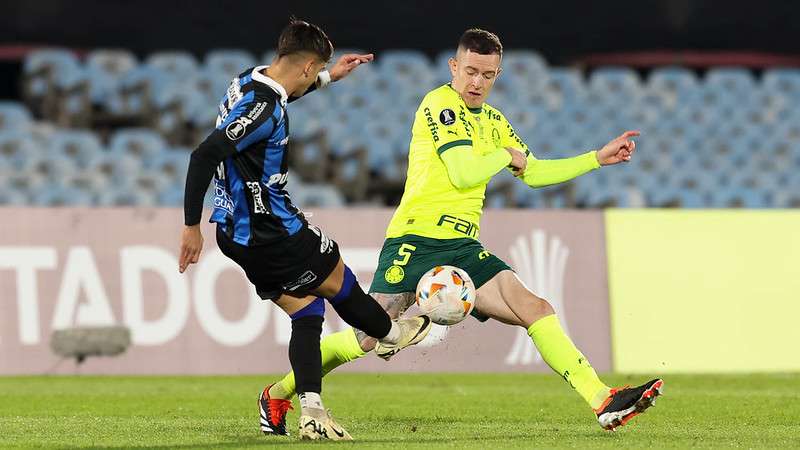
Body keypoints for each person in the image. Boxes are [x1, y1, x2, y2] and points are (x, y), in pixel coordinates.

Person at [265, 28, 663, 433]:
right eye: (470, 71)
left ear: (497, 75)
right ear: (454, 67)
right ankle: (278, 393)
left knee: (535, 308)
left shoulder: (493, 121)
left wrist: (595, 159)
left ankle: (602, 399)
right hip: (414, 240)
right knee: (368, 338)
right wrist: (504, 155)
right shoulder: (440, 106)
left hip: (462, 247)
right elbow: (462, 172)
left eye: (487, 75)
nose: (477, 82)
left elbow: (535, 171)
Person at [178, 19, 432, 441]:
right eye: (317, 70)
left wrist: (331, 77)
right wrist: (190, 227)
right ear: (307, 64)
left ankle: (306, 408)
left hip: (235, 234)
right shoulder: (264, 107)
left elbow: (277, 100)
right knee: (338, 279)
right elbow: (203, 155)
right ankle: (391, 334)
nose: (313, 78)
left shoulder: (246, 80)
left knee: (306, 310)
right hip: (271, 229)